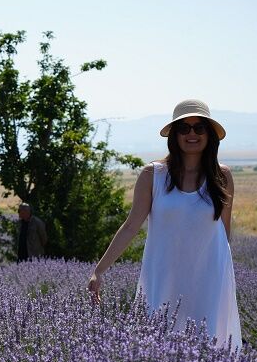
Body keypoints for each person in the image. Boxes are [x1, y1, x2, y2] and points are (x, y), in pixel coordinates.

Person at [87, 99, 242, 348]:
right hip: (164, 275)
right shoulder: (154, 175)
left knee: (210, 348)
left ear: (209, 134)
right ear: (174, 135)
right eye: (184, 128)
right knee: (159, 344)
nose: (192, 133)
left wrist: (225, 280)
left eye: (199, 127)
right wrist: (99, 270)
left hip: (209, 277)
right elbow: (130, 226)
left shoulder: (222, 176)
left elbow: (224, 233)